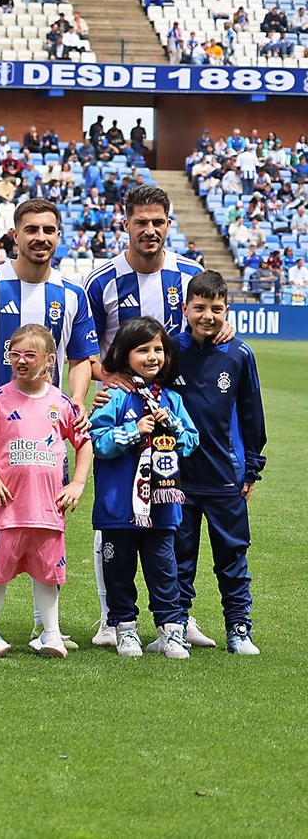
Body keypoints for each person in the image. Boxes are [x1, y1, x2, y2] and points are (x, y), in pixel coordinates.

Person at [0, 198, 97, 646]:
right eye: (32, 230)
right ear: (15, 235)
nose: (41, 238)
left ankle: (42, 626)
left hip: (45, 436)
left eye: (49, 230)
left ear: (59, 235)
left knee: (45, 524)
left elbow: (82, 357)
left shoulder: (72, 294)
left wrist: (78, 399)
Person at [83, 183, 214, 646]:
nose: (151, 230)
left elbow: (210, 315)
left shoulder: (189, 273)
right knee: (118, 511)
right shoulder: (101, 282)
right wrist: (110, 380)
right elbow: (85, 350)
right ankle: (112, 618)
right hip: (124, 412)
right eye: (141, 221)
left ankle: (179, 614)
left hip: (180, 408)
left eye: (159, 222)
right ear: (126, 223)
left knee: (176, 510)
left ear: (169, 223)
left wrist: (224, 321)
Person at [0, 325, 93, 659]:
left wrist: (76, 483)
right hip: (9, 510)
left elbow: (84, 444)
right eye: (14, 354)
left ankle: (50, 634)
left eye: (29, 355)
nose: (20, 361)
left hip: (48, 509)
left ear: (49, 360)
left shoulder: (62, 403)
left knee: (49, 573)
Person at [88, 317, 199, 659]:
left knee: (164, 571)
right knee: (119, 571)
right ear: (124, 354)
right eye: (143, 350)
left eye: (159, 350)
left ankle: (171, 631)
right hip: (118, 507)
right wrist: (134, 431)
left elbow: (191, 442)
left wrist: (174, 426)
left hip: (162, 506)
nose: (153, 357)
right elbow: (99, 443)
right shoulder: (113, 397)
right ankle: (125, 629)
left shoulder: (171, 401)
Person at [173, 272, 265, 654]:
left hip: (225, 475)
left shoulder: (239, 354)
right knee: (178, 558)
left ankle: (238, 628)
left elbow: (251, 413)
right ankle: (175, 624)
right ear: (186, 309)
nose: (207, 316)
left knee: (232, 556)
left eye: (216, 309)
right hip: (174, 477)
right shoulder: (168, 349)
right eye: (199, 308)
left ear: (227, 310)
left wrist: (252, 466)